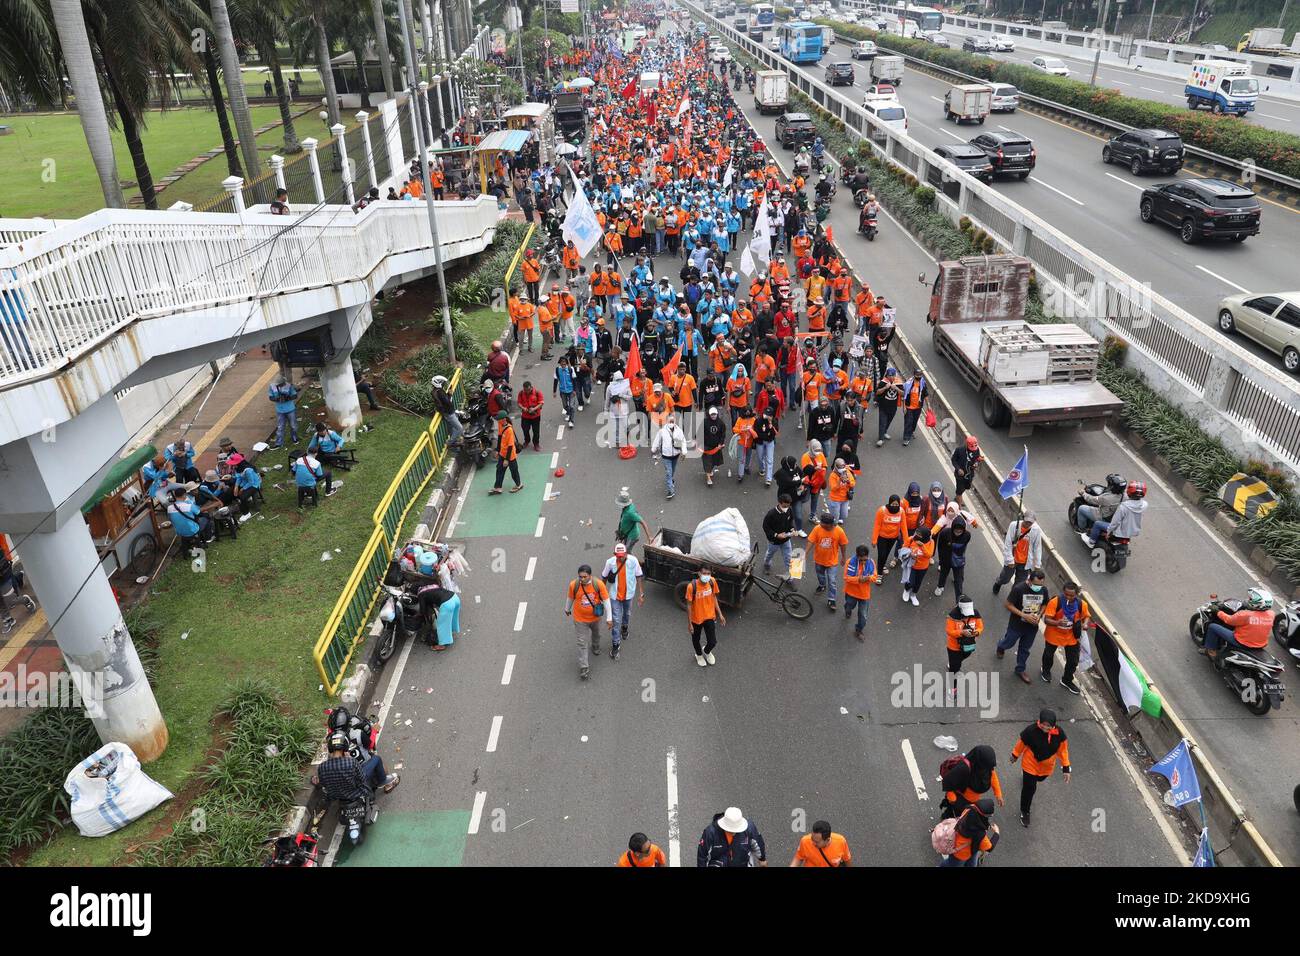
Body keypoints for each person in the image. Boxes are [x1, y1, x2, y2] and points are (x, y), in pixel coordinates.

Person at [1010, 708, 1071, 828]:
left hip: (1046, 768)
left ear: (1053, 726)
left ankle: (1030, 780)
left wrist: (1066, 768)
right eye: (1043, 725)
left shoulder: (1060, 734)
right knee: (1030, 788)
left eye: (1048, 726)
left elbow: (1063, 751)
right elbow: (1021, 743)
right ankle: (1025, 811)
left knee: (1040, 779)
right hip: (1030, 763)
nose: (1045, 728)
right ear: (1039, 722)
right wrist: (1015, 755)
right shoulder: (1031, 730)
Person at [313, 732, 399, 805]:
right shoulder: (350, 762)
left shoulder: (322, 767)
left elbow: (323, 784)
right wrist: (350, 759)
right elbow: (361, 778)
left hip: (337, 796)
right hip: (356, 792)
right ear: (345, 747)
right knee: (376, 758)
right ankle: (383, 781)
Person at [996, 568, 1048, 685]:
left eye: (1041, 585)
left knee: (1025, 649)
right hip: (1016, 625)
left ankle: (1020, 669)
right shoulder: (1019, 589)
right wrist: (1024, 615)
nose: (1038, 587)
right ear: (1029, 581)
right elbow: (1008, 604)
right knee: (1009, 643)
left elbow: (1045, 603)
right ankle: (1001, 646)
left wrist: (1039, 615)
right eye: (1035, 585)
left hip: (1032, 627)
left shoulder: (1043, 590)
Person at [1040, 581, 1092, 694]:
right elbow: (1047, 619)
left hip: (1071, 636)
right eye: (1066, 594)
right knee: (1048, 654)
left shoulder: (1081, 604)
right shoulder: (1055, 602)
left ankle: (1067, 680)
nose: (1068, 597)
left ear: (1077, 594)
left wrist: (1086, 624)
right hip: (1054, 633)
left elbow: (1086, 616)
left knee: (1073, 661)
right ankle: (1045, 670)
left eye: (1071, 595)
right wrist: (1058, 622)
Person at [566, 563, 613, 681]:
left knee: (596, 635)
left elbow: (606, 601)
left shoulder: (598, 584)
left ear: (590, 576)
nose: (582, 579)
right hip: (580, 619)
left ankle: (595, 647)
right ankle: (584, 668)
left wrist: (609, 618)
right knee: (582, 643)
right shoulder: (574, 585)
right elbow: (570, 597)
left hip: (595, 618)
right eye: (580, 577)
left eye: (584, 577)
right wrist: (567, 608)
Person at [1203, 586, 1274, 659]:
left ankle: (1211, 651)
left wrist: (1217, 611)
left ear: (1257, 603)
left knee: (1212, 626)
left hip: (1241, 642)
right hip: (1261, 644)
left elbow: (1228, 620)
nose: (1248, 600)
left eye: (1250, 599)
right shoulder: (1272, 614)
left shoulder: (1245, 614)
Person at [600, 543, 644, 659]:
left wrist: (641, 593)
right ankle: (616, 644)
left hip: (629, 595)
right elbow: (604, 577)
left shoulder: (633, 561)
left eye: (622, 555)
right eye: (618, 556)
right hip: (615, 597)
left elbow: (639, 575)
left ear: (626, 553)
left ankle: (625, 627)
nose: (620, 557)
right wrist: (601, 593)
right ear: (615, 554)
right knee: (616, 620)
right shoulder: (610, 562)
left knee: (627, 613)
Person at [940, 745, 1004, 819]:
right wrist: (952, 798)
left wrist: (998, 794)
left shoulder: (985, 767)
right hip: (959, 799)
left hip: (972, 800)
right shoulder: (964, 768)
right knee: (952, 814)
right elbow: (948, 781)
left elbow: (993, 777)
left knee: (962, 816)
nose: (990, 768)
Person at [938, 797, 999, 867]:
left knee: (972, 864)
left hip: (959, 843)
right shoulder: (979, 834)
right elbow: (990, 848)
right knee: (952, 864)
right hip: (960, 855)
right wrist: (997, 833)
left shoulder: (969, 809)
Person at [685, 564, 727, 667]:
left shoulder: (712, 582)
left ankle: (707, 651)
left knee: (712, 641)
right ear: (699, 573)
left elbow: (714, 598)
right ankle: (699, 655)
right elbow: (689, 606)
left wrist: (720, 614)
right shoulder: (691, 587)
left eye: (708, 573)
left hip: (709, 617)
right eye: (704, 573)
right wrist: (689, 623)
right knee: (696, 639)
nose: (706, 576)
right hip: (696, 619)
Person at [1083, 480, 1147, 548]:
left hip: (1118, 531)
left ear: (1129, 492)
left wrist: (1109, 532)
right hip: (1132, 531)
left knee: (1097, 524)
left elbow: (1115, 523)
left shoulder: (1123, 507)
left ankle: (1091, 542)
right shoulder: (1144, 505)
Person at [992, 511, 1042, 596]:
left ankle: (1012, 598)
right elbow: (1008, 543)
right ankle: (998, 582)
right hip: (1013, 559)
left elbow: (1037, 547)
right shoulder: (1014, 525)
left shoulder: (1036, 530)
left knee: (1019, 584)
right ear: (1023, 518)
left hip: (1025, 563)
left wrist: (1037, 564)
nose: (1028, 524)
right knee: (1005, 578)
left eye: (1030, 522)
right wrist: (1010, 560)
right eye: (1027, 522)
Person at [697, 807, 767, 867]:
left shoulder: (749, 828)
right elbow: (702, 856)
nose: (733, 832)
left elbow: (757, 843)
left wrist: (762, 859)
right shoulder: (710, 833)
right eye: (730, 830)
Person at [808, 512, 849, 611]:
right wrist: (805, 554)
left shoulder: (839, 531)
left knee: (832, 581)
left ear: (830, 524)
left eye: (823, 524)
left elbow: (843, 544)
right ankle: (822, 585)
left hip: (832, 561)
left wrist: (843, 557)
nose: (820, 525)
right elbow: (811, 541)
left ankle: (831, 599)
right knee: (820, 575)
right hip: (819, 560)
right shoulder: (817, 528)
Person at [945, 595, 984, 697]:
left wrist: (976, 632)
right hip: (953, 647)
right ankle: (953, 689)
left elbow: (980, 627)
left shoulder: (975, 613)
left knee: (962, 658)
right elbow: (949, 631)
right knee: (954, 669)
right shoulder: (952, 615)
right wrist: (961, 632)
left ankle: (954, 663)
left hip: (968, 645)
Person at [842, 544, 879, 642]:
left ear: (868, 556)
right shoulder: (850, 562)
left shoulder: (871, 563)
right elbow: (846, 578)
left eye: (865, 560)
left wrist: (868, 578)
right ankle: (847, 610)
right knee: (849, 606)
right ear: (857, 556)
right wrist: (859, 579)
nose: (863, 562)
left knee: (863, 616)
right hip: (851, 593)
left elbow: (875, 577)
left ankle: (859, 630)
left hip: (864, 595)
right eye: (861, 560)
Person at [934, 515, 971, 598]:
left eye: (960, 530)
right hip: (946, 559)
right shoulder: (945, 533)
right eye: (956, 529)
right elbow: (940, 547)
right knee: (943, 574)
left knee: (959, 580)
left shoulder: (967, 535)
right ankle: (940, 586)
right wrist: (941, 560)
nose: (958, 532)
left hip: (959, 561)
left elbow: (964, 546)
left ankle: (959, 600)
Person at [900, 525, 935, 607]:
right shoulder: (911, 539)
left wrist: (922, 546)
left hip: (923, 567)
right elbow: (903, 548)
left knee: (918, 583)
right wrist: (910, 554)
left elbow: (929, 555)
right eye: (917, 532)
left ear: (925, 535)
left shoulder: (931, 542)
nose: (917, 535)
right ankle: (906, 590)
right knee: (910, 581)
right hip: (911, 566)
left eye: (920, 534)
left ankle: (913, 595)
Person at [489, 411, 523, 494]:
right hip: (502, 453)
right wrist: (497, 450)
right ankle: (497, 487)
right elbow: (500, 438)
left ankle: (519, 484)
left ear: (503, 419)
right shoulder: (501, 425)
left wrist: (507, 460)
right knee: (499, 470)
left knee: (514, 471)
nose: (497, 421)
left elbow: (510, 446)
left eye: (499, 419)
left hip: (510, 456)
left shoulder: (509, 430)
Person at [762, 494, 797, 576]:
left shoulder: (789, 510)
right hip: (774, 541)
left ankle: (790, 578)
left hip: (786, 540)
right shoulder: (771, 514)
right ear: (780, 503)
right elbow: (766, 527)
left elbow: (790, 521)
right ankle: (767, 564)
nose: (786, 508)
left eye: (788, 506)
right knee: (770, 554)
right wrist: (776, 535)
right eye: (784, 506)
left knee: (789, 558)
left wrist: (792, 529)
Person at [655, 412, 687, 500]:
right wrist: (653, 449)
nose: (671, 423)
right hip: (666, 456)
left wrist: (684, 452)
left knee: (672, 470)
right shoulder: (662, 431)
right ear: (666, 422)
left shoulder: (679, 430)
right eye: (669, 421)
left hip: (675, 455)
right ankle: (670, 490)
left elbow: (683, 441)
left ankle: (671, 479)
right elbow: (657, 440)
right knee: (668, 472)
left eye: (672, 421)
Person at [952, 435, 983, 508]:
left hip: (969, 474)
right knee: (959, 490)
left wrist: (976, 463)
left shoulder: (977, 450)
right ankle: (959, 506)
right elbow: (953, 460)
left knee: (965, 487)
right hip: (960, 475)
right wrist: (958, 469)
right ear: (966, 444)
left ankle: (957, 497)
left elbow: (977, 459)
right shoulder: (959, 450)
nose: (973, 449)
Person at [268, 377, 300, 448]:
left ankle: (294, 438)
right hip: (280, 410)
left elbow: (295, 395)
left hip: (290, 409)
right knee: (280, 427)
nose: (281, 385)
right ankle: (278, 443)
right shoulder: (272, 386)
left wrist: (288, 397)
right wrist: (276, 399)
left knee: (293, 425)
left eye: (282, 384)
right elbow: (270, 397)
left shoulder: (289, 386)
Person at [900, 370, 929, 446]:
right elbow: (904, 395)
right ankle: (906, 438)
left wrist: (928, 406)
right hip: (909, 407)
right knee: (908, 422)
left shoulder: (923, 384)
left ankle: (911, 431)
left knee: (914, 422)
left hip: (918, 407)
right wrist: (904, 407)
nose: (919, 377)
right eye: (917, 375)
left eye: (920, 375)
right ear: (914, 375)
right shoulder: (908, 384)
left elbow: (925, 395)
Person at [701, 406, 727, 487]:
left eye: (715, 414)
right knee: (707, 462)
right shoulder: (705, 422)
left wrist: (721, 443)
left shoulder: (721, 423)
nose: (713, 416)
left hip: (716, 446)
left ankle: (710, 470)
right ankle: (708, 478)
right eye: (712, 414)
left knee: (714, 461)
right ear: (709, 414)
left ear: (717, 414)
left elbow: (723, 434)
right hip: (706, 445)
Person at [826, 457, 855, 525]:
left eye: (843, 466)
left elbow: (853, 483)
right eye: (840, 467)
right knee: (835, 517)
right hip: (835, 500)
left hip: (845, 498)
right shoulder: (833, 475)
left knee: (844, 515)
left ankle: (839, 518)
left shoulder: (847, 472)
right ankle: (834, 526)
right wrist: (839, 482)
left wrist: (848, 482)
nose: (842, 468)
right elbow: (833, 488)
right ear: (836, 466)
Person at [517, 380, 544, 451]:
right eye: (525, 390)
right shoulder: (521, 393)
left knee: (536, 431)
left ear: (531, 387)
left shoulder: (537, 392)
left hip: (535, 416)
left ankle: (536, 444)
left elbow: (541, 403)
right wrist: (523, 408)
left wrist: (534, 409)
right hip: (525, 416)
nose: (527, 391)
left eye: (528, 390)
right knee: (525, 429)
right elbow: (519, 403)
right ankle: (527, 440)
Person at [553, 354, 577, 428]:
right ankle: (569, 413)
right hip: (562, 391)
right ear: (559, 363)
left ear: (566, 363)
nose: (563, 363)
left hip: (571, 391)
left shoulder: (570, 369)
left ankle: (571, 421)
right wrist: (554, 391)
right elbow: (555, 381)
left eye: (564, 362)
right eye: (562, 362)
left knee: (571, 406)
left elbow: (574, 380)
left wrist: (575, 390)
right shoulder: (557, 370)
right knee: (565, 406)